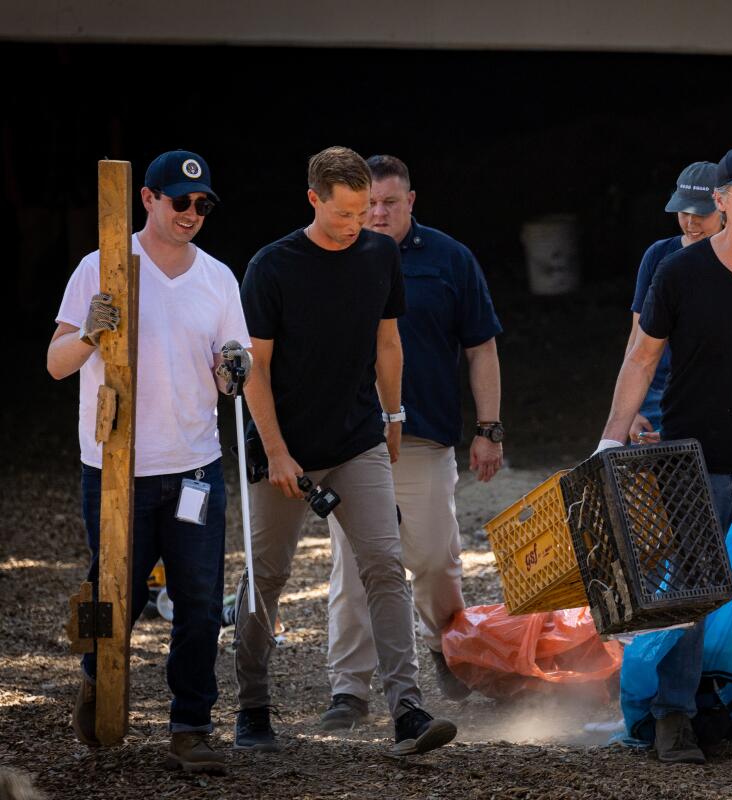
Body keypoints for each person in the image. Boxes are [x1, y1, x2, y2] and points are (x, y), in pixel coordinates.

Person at [596, 145, 732, 776]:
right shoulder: (678, 272)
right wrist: (612, 440)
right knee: (687, 595)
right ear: (719, 201)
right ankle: (674, 715)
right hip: (691, 462)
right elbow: (641, 357)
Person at [233, 146, 455, 757]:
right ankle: (252, 708)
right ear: (314, 200)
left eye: (363, 213)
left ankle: (407, 711)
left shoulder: (380, 255)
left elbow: (389, 343)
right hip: (283, 448)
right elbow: (257, 368)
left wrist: (393, 415)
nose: (356, 224)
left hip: (358, 438)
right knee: (266, 578)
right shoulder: (271, 267)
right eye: (343, 214)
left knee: (385, 564)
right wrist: (276, 451)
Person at [48, 150, 249, 775]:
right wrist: (88, 332)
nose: (191, 213)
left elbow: (230, 370)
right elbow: (55, 363)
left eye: (202, 204)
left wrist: (233, 369)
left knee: (197, 603)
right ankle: (96, 682)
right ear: (147, 199)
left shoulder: (217, 277)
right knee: (116, 595)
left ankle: (191, 726)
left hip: (194, 467)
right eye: (178, 201)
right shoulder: (101, 267)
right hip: (113, 468)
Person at [319, 154, 504, 729]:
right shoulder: (332, 256)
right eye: (368, 203)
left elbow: (481, 346)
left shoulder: (450, 259)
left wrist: (489, 427)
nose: (376, 213)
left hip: (425, 437)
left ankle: (446, 649)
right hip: (350, 441)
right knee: (354, 566)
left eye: (389, 203)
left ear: (411, 202)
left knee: (435, 559)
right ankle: (349, 690)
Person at [626, 161, 722, 443]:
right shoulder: (657, 255)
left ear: (723, 207)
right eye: (683, 212)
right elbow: (636, 338)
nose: (691, 222)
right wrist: (630, 410)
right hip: (658, 395)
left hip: (718, 395)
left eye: (701, 213)